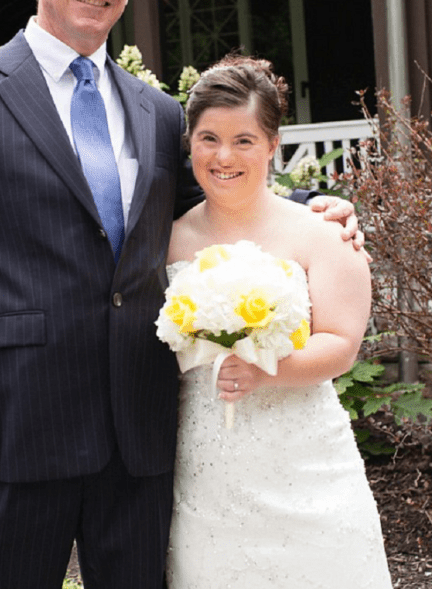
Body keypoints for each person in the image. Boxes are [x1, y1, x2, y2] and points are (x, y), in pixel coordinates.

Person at [0, 0, 362, 587]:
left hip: (138, 435)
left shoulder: (155, 110)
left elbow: (214, 193)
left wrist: (313, 207)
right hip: (13, 428)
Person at [164, 54, 393, 588]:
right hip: (204, 474)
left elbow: (341, 345)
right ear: (190, 144)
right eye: (208, 138)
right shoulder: (166, 239)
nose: (224, 156)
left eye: (244, 140)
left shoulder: (322, 233)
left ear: (272, 144)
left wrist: (266, 370)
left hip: (307, 468)